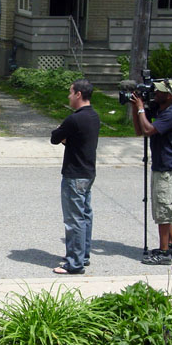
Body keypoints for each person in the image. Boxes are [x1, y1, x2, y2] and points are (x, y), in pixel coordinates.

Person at [130, 79, 172, 265]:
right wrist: (136, 108)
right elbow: (140, 131)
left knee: (163, 211)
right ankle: (171, 245)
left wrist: (141, 108)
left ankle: (164, 253)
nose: (155, 94)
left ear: (169, 96)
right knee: (164, 209)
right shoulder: (161, 110)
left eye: (159, 92)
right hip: (161, 167)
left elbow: (148, 128)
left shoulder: (170, 114)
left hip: (168, 170)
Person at [51, 79, 100, 274]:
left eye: (70, 93)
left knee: (74, 220)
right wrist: (67, 138)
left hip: (74, 174)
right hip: (88, 172)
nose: (69, 97)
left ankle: (74, 263)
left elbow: (55, 137)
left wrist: (63, 133)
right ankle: (83, 255)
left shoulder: (74, 119)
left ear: (79, 94)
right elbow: (78, 142)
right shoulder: (94, 116)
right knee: (85, 216)